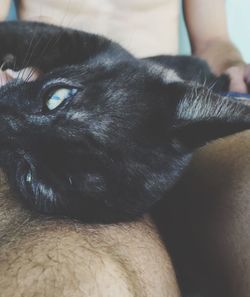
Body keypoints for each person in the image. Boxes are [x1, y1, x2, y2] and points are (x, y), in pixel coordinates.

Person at [1, 1, 250, 296]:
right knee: (90, 279)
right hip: (44, 97)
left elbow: (212, 40)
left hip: (164, 105)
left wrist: (233, 63)